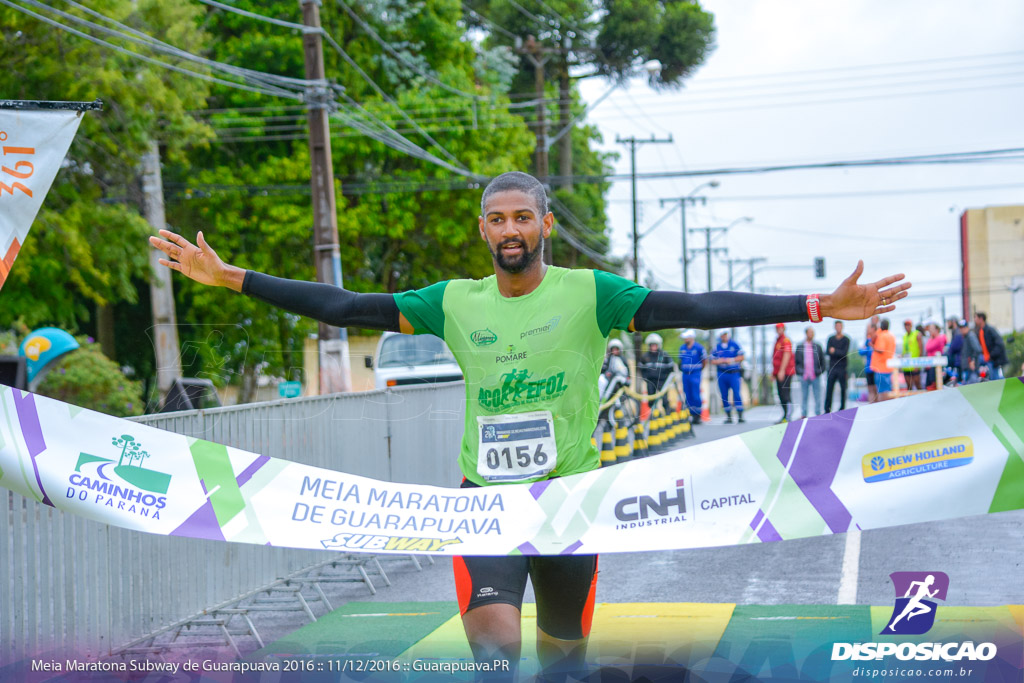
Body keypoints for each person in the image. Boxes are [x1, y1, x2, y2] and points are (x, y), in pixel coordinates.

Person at [149, 170, 910, 680]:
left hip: (572, 504)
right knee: (491, 650)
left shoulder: (593, 292)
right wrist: (231, 277)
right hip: (483, 501)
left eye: (523, 216)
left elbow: (695, 307)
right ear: (482, 230)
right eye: (497, 219)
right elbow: (347, 307)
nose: (510, 229)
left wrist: (813, 306)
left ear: (544, 223)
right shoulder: (454, 300)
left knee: (563, 660)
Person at [712, 330, 745, 423]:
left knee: (736, 393)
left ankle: (740, 414)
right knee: (724, 395)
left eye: (726, 335)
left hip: (733, 373)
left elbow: (741, 357)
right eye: (722, 335)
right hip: (722, 373)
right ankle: (728, 416)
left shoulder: (735, 345)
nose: (724, 336)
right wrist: (720, 361)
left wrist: (731, 360)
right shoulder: (717, 347)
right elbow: (712, 360)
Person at [638, 333, 676, 415]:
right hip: (651, 381)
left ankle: (667, 415)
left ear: (659, 345)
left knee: (665, 400)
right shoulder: (645, 356)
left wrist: (667, 379)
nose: (653, 347)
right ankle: (653, 415)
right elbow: (641, 369)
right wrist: (646, 379)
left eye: (655, 345)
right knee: (651, 400)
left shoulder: (664, 355)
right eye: (651, 345)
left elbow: (671, 368)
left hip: (663, 381)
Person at [677, 329, 707, 423]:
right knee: (687, 393)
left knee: (695, 393)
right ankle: (690, 413)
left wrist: (699, 369)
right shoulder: (682, 348)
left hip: (695, 373)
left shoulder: (698, 347)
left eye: (687, 337)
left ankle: (697, 415)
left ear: (691, 337)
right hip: (685, 374)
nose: (685, 339)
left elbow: (704, 360)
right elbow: (680, 361)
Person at [795, 327, 825, 418]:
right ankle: (804, 413)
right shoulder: (800, 347)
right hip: (804, 376)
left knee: (817, 395)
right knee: (804, 396)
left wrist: (819, 372)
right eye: (809, 332)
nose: (811, 334)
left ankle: (818, 413)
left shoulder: (818, 346)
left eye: (812, 332)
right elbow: (796, 362)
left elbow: (823, 362)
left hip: (815, 375)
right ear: (806, 333)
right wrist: (800, 372)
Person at [824, 320, 850, 412]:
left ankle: (842, 408)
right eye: (837, 326)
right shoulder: (830, 339)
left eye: (840, 326)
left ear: (842, 327)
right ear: (834, 327)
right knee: (829, 388)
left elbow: (844, 353)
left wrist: (834, 351)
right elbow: (827, 352)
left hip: (842, 368)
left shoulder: (846, 339)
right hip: (832, 368)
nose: (838, 328)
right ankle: (827, 409)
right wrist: (837, 352)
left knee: (843, 389)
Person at [772, 323, 795, 423]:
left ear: (784, 329)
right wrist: (774, 373)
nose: (779, 330)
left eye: (780, 328)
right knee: (780, 394)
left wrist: (781, 371)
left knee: (785, 394)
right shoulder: (778, 340)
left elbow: (787, 355)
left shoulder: (786, 340)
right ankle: (785, 415)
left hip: (786, 372)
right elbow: (775, 358)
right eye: (777, 328)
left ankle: (788, 416)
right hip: (778, 372)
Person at [974, 312, 1007, 380]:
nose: (975, 320)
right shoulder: (979, 331)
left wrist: (991, 355)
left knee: (996, 379)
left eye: (976, 318)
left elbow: (1000, 344)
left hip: (994, 361)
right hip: (987, 360)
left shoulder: (990, 330)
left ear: (981, 319)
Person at [871, 318, 897, 400]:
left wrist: (872, 347)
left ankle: (883, 408)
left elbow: (881, 350)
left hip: (881, 367)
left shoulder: (882, 336)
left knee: (882, 391)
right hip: (888, 367)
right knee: (887, 389)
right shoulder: (890, 335)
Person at [901, 319, 924, 391]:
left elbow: (921, 349)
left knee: (917, 384)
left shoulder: (917, 334)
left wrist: (918, 363)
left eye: (908, 325)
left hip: (914, 364)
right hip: (906, 365)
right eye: (905, 325)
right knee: (909, 386)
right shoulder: (904, 336)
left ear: (911, 326)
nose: (907, 327)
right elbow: (905, 350)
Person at [923, 320, 947, 390]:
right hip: (929, 365)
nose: (930, 330)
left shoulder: (940, 338)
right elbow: (927, 347)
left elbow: (930, 347)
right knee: (928, 385)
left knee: (935, 385)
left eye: (932, 329)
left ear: (937, 329)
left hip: (936, 366)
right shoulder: (931, 338)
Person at [860, 322, 877, 402]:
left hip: (876, 368)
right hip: (868, 368)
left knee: (875, 389)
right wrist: (867, 349)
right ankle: (871, 405)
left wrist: (867, 349)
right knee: (870, 389)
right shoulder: (867, 340)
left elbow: (872, 352)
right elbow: (861, 352)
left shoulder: (876, 339)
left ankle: (877, 406)